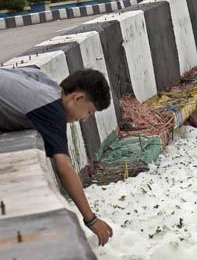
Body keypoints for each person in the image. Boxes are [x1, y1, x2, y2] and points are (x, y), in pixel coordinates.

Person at [0, 67, 114, 246]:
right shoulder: (52, 110)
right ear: (78, 98)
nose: (85, 119)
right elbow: (64, 167)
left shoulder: (47, 84)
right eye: (89, 112)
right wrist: (90, 219)